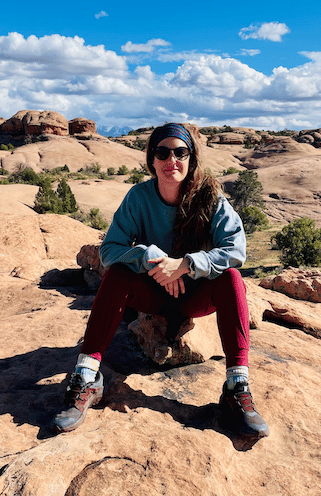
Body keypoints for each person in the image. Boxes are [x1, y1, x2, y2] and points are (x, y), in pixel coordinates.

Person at [51, 123, 269, 438]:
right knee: (118, 275)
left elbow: (236, 251)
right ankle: (87, 375)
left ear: (192, 158)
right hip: (151, 294)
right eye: (162, 152)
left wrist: (185, 265)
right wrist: (151, 258)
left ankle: (237, 385)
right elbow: (111, 251)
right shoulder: (139, 197)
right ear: (151, 160)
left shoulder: (210, 198)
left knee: (232, 279)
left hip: (194, 296)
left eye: (181, 152)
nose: (172, 161)